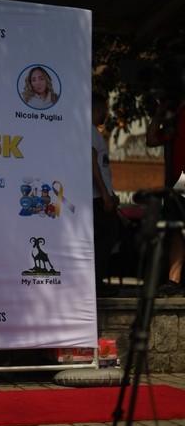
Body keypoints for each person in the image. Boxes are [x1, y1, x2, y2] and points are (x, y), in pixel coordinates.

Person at [146, 95, 185, 297]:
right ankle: (173, 281)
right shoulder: (175, 117)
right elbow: (151, 140)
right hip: (178, 183)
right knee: (175, 228)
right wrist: (158, 115)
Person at [92, 92, 121, 297]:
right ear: (99, 108)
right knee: (106, 236)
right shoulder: (90, 131)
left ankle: (96, 282)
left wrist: (111, 193)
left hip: (102, 197)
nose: (107, 113)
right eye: (106, 109)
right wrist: (104, 194)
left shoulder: (94, 131)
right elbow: (91, 162)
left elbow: (101, 168)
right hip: (97, 199)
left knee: (109, 235)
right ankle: (95, 283)